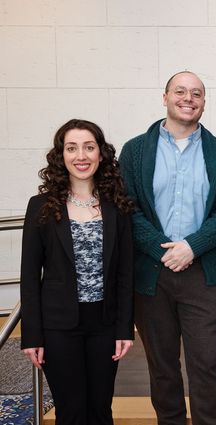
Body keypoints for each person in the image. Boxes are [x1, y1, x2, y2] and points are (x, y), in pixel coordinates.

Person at [119, 71, 216, 425]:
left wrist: (191, 247)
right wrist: (163, 251)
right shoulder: (135, 150)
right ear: (165, 97)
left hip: (202, 273)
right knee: (162, 364)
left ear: (204, 102)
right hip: (151, 275)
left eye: (197, 93)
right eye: (180, 91)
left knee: (206, 362)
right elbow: (127, 207)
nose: (188, 98)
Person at [20, 119, 134, 425]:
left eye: (88, 147)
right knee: (71, 412)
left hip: (104, 324)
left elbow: (125, 274)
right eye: (72, 148)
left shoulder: (117, 206)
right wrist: (31, 335)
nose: (80, 156)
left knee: (100, 410)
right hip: (58, 327)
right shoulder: (41, 207)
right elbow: (30, 278)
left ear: (101, 154)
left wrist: (125, 328)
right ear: (61, 155)